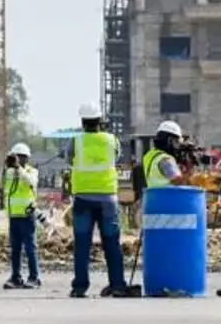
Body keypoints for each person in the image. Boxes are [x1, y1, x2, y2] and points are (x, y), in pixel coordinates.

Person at [67, 103, 129, 298]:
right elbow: (116, 158)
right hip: (107, 200)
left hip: (83, 199)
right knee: (112, 243)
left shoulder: (75, 142)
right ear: (100, 120)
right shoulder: (112, 140)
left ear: (83, 121)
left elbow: (70, 160)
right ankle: (118, 285)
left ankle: (79, 287)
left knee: (82, 245)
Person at [1, 143, 40, 290]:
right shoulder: (9, 173)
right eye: (16, 157)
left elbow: (32, 182)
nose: (19, 159)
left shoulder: (32, 171)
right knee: (15, 249)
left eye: (21, 157)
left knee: (30, 248)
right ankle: (15, 277)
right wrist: (4, 168)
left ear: (26, 158)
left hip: (27, 214)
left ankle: (34, 277)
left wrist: (19, 168)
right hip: (14, 215)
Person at [141, 121, 186, 194]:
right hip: (168, 200)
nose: (177, 146)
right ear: (170, 140)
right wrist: (190, 171)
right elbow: (178, 181)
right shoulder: (165, 159)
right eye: (176, 141)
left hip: (155, 199)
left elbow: (161, 174)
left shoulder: (150, 155)